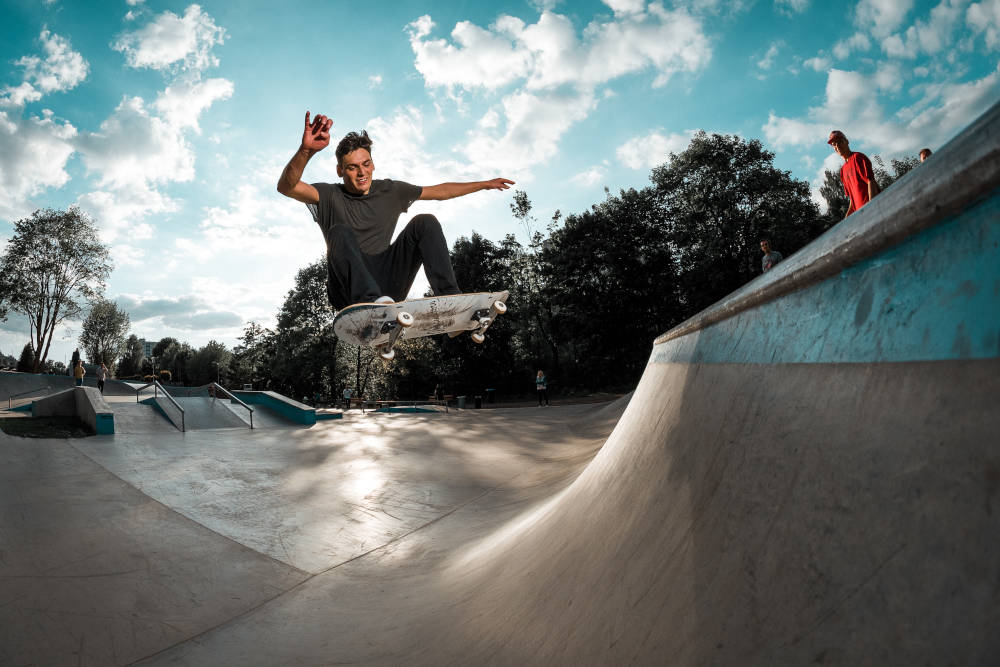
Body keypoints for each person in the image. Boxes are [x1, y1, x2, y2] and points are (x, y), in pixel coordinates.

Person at [277, 111, 514, 310]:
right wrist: (306, 151)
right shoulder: (328, 195)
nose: (362, 173)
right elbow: (287, 187)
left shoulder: (391, 191)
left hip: (388, 287)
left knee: (425, 222)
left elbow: (440, 191)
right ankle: (369, 304)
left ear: (373, 164)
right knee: (339, 232)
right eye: (352, 167)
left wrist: (484, 184)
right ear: (340, 170)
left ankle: (450, 301)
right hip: (348, 293)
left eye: (366, 164)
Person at [827, 130, 881, 218]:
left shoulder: (858, 158)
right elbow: (852, 198)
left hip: (874, 211)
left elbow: (871, 182)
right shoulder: (842, 171)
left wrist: (871, 207)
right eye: (834, 144)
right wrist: (847, 215)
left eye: (840, 142)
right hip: (861, 217)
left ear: (847, 142)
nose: (837, 146)